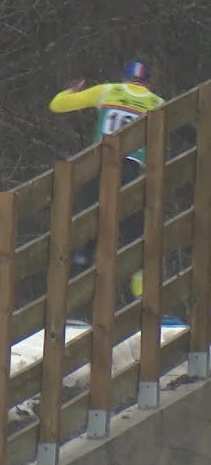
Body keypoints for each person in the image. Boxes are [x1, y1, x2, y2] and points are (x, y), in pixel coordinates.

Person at [49, 56, 164, 299]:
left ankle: (77, 273)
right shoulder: (156, 103)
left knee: (90, 218)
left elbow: (57, 105)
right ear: (148, 83)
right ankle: (142, 289)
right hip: (130, 166)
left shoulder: (108, 91)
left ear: (124, 78)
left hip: (100, 163)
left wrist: (70, 91)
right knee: (135, 229)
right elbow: (183, 126)